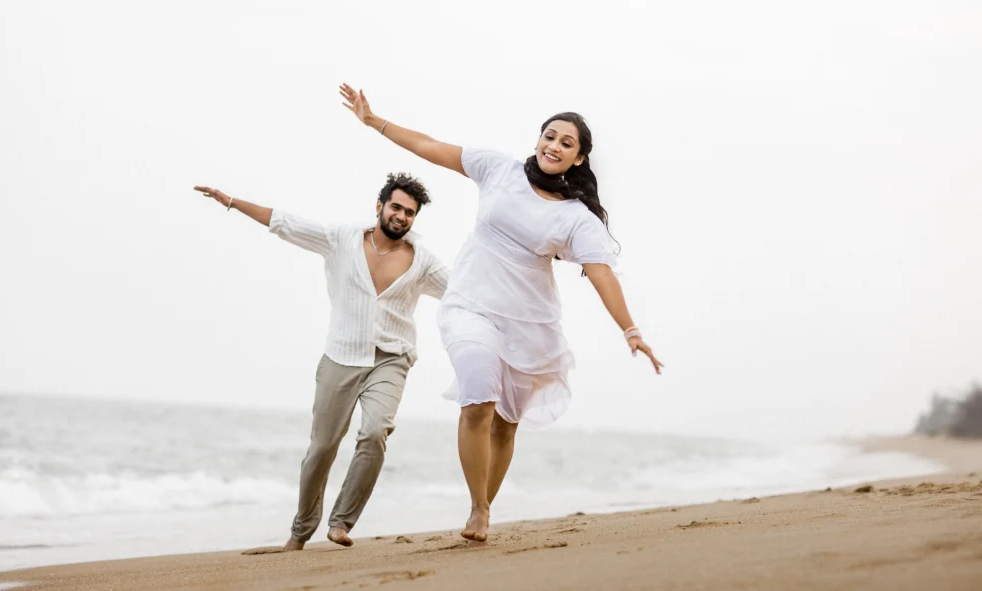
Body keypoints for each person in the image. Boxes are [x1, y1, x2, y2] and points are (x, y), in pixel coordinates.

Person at [339, 83, 663, 543]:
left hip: (528, 323)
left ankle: (483, 509)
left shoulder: (577, 218)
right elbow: (431, 147)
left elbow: (603, 274)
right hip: (469, 306)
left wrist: (630, 329)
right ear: (538, 140)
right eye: (549, 136)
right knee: (478, 395)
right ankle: (478, 508)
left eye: (566, 143)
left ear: (579, 160)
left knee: (506, 425)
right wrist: (375, 122)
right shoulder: (499, 169)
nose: (554, 145)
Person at [193, 174, 448, 550]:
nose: (401, 216)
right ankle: (300, 531)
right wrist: (232, 201)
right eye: (396, 207)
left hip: (390, 358)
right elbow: (284, 223)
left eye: (410, 213)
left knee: (375, 431)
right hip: (342, 355)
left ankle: (342, 522)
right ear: (379, 207)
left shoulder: (422, 261)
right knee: (323, 446)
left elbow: (464, 292)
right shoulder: (341, 239)